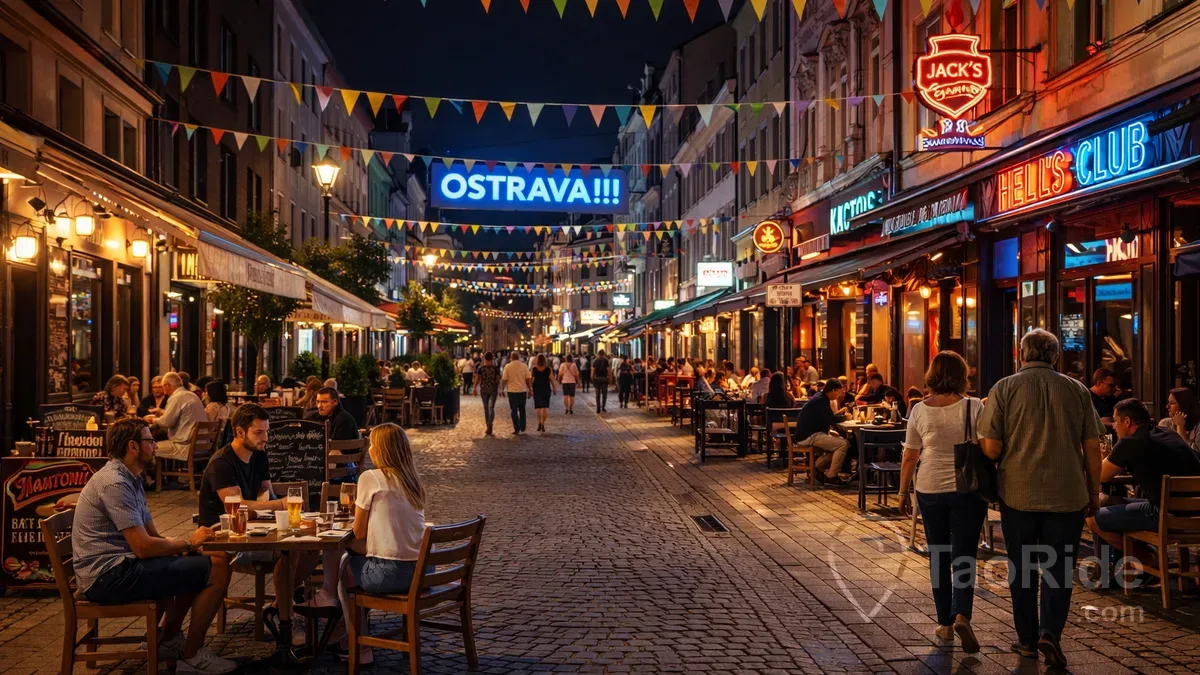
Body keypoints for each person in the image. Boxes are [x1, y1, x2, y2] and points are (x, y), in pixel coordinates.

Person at [977, 329, 1104, 668]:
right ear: (1055, 356)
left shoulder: (1003, 388)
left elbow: (990, 446)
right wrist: (1094, 492)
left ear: (1021, 355)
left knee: (1022, 570)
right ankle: (1051, 633)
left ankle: (1027, 641)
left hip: (1018, 493)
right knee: (1059, 569)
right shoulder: (1077, 390)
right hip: (1068, 495)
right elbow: (1092, 446)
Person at [72, 418, 235, 674]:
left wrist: (187, 547)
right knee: (217, 569)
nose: (156, 447)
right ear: (133, 446)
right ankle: (191, 656)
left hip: (122, 565)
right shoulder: (115, 483)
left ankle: (168, 640)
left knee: (206, 558)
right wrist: (188, 542)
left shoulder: (132, 478)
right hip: (106, 576)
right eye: (150, 441)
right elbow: (143, 548)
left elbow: (152, 536)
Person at [898, 352, 986, 653]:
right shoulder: (974, 406)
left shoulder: (919, 409)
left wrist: (901, 493)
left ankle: (946, 626)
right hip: (967, 490)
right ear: (962, 375)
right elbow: (987, 446)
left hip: (930, 487)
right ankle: (962, 612)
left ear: (932, 375)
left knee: (939, 555)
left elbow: (910, 455)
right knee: (965, 554)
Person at [197, 404, 304, 648]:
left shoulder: (259, 456)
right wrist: (279, 505)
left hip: (256, 532)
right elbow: (235, 505)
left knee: (305, 549)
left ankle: (278, 609)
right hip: (224, 538)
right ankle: (287, 617)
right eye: (259, 432)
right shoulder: (222, 463)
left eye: (266, 432)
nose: (265, 438)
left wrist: (269, 505)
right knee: (288, 552)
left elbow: (264, 493)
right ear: (239, 432)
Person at [322, 423, 428, 665]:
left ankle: (357, 644)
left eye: (371, 444)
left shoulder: (371, 477)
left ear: (380, 450)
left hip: (392, 574)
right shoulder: (412, 480)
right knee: (352, 558)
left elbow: (358, 533)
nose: (368, 449)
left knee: (346, 568)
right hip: (423, 572)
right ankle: (343, 631)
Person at [1088, 398, 1200, 567]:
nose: (1113, 426)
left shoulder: (1130, 443)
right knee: (1113, 503)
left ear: (1127, 422)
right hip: (1194, 514)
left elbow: (1102, 476)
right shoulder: (1167, 432)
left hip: (1166, 515)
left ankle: (1148, 562)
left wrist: (1103, 456)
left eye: (1116, 421)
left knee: (1093, 517)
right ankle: (1123, 565)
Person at [794, 379, 851, 486]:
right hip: (809, 435)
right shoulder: (821, 401)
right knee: (843, 444)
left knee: (840, 443)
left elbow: (828, 417)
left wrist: (840, 415)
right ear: (833, 390)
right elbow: (832, 420)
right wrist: (845, 417)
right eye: (839, 392)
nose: (839, 395)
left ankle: (817, 470)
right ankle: (831, 476)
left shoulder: (820, 397)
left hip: (809, 433)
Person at [148, 373, 208, 465]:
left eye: (162, 386)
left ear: (167, 385)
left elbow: (166, 423)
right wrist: (163, 412)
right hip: (202, 446)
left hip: (184, 447)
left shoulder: (177, 397)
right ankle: (166, 476)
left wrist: (151, 419)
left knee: (149, 447)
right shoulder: (191, 395)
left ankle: (153, 478)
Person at [1160, 387, 1200, 453]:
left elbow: (1192, 456)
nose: (1167, 406)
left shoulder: (1198, 427)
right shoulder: (1165, 423)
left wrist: (1180, 427)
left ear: (1184, 405)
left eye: (1172, 403)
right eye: (1168, 402)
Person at [502, 351, 533, 435]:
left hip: (512, 391)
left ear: (511, 357)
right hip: (522, 390)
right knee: (522, 409)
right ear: (518, 357)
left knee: (514, 410)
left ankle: (517, 427)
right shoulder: (524, 366)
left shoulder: (507, 366)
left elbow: (504, 379)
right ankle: (523, 426)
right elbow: (528, 378)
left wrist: (502, 389)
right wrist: (530, 389)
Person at [475, 352, 501, 436]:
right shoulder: (495, 368)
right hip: (493, 390)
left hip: (484, 390)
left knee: (486, 408)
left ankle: (488, 425)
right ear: (492, 358)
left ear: (484, 358)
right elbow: (498, 380)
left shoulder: (481, 368)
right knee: (491, 407)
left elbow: (477, 379)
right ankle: (490, 424)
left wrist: (475, 388)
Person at [530, 354, 556, 433]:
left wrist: (530, 389)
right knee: (544, 408)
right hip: (546, 389)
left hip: (536, 389)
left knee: (538, 407)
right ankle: (543, 424)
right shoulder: (548, 369)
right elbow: (552, 380)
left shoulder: (534, 369)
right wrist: (554, 388)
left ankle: (539, 423)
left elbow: (530, 380)